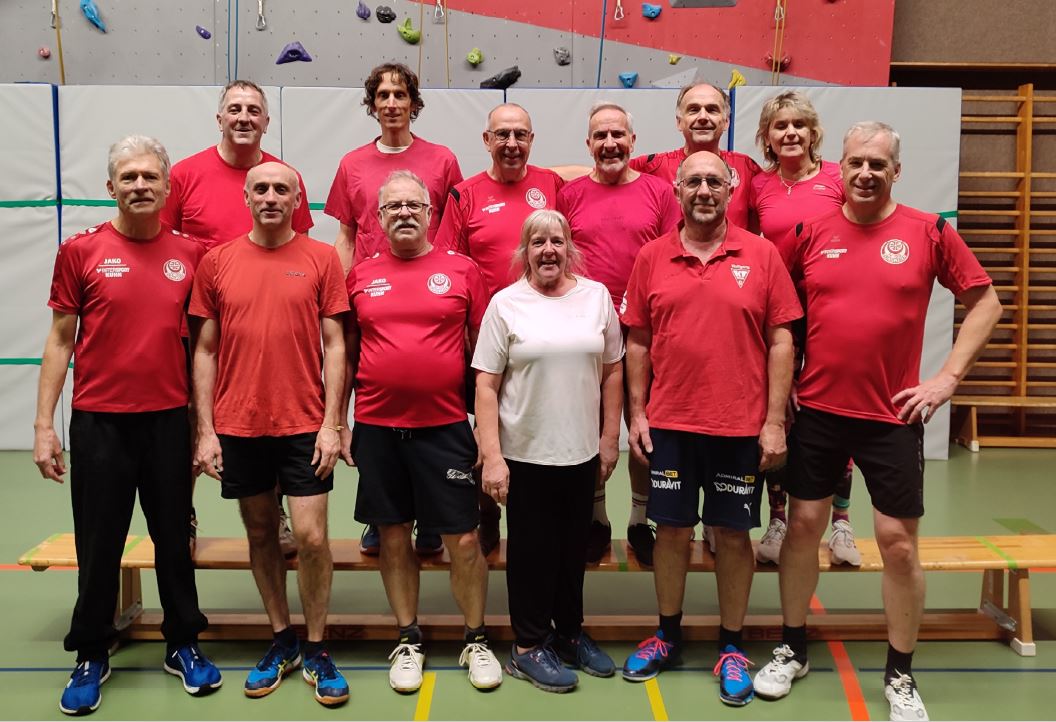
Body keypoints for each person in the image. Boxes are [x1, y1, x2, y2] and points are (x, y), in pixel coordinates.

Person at [754, 122, 1001, 722]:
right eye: (856, 163)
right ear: (839, 168)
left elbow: (987, 303)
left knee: (897, 544)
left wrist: (946, 379)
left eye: (878, 164)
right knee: (803, 528)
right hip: (817, 410)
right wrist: (779, 392)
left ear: (896, 171)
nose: (866, 173)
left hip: (892, 416)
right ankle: (793, 647)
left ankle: (900, 674)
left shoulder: (929, 231)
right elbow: (777, 315)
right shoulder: (810, 233)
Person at [34, 135, 221, 716]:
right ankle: (92, 650)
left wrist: (204, 427)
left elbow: (204, 347)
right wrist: (44, 426)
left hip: (168, 422)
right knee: (100, 543)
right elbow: (60, 339)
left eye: (150, 177)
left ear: (167, 187)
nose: (140, 185)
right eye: (129, 177)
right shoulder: (80, 251)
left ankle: (183, 643)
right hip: (100, 424)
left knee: (173, 539)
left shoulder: (192, 254)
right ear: (110, 187)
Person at [619, 151, 801, 707]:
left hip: (737, 426)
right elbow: (638, 340)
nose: (704, 190)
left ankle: (731, 646)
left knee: (732, 536)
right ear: (677, 189)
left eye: (714, 182)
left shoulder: (762, 254)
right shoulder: (652, 256)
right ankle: (667, 634)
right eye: (694, 181)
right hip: (671, 424)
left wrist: (773, 421)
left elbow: (782, 340)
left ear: (730, 189)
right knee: (671, 532)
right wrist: (638, 413)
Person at [190, 162, 350, 707]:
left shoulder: (321, 258)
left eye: (282, 189)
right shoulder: (217, 262)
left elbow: (336, 345)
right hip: (239, 424)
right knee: (261, 533)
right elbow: (205, 350)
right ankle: (281, 638)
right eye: (261, 188)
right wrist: (205, 431)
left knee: (310, 537)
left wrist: (332, 424)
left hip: (304, 424)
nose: (271, 196)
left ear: (297, 199)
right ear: (247, 197)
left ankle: (318, 646)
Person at [343, 170, 502, 694]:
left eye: (414, 205)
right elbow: (345, 354)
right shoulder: (360, 275)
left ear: (431, 214)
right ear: (379, 217)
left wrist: (487, 430)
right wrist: (337, 421)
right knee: (392, 536)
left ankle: (475, 638)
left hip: (445, 428)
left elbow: (484, 355)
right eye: (394, 207)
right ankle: (408, 639)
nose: (405, 213)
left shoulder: (462, 270)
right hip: (377, 428)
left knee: (464, 539)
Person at [162, 79, 314, 557]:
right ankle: (180, 516)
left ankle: (278, 513)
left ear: (266, 121)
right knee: (192, 420)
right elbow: (161, 244)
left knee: (273, 419)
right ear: (220, 118)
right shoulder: (185, 175)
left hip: (264, 325)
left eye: (253, 109)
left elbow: (300, 247)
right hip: (198, 326)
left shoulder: (283, 176)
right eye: (235, 108)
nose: (244, 117)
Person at [474, 209, 623, 693]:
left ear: (569, 248)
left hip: (580, 453)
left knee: (571, 552)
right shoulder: (505, 304)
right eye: (537, 242)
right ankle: (527, 646)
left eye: (556, 241)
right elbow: (486, 385)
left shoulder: (596, 297)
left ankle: (568, 634)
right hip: (525, 455)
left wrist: (608, 438)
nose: (548, 250)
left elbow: (613, 370)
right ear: (525, 252)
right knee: (531, 554)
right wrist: (492, 457)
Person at [326, 62, 462, 557]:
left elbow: (451, 229)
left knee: (431, 400)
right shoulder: (352, 164)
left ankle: (431, 515)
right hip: (371, 296)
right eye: (382, 95)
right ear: (372, 104)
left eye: (399, 94)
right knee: (375, 397)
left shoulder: (442, 160)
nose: (390, 103)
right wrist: (338, 297)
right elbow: (345, 237)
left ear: (413, 102)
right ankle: (382, 514)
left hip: (429, 294)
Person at [435, 103, 565, 556]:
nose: (512, 144)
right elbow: (448, 265)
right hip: (483, 340)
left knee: (539, 426)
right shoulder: (464, 195)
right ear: (487, 140)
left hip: (545, 340)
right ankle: (486, 512)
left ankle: (540, 519)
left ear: (532, 140)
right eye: (502, 135)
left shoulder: (552, 185)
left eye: (520, 135)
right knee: (482, 430)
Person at [557, 101, 681, 567]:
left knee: (644, 428)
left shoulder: (659, 192)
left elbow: (673, 255)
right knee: (591, 429)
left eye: (618, 135)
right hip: (586, 331)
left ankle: (639, 520)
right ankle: (596, 519)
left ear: (633, 141)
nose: (610, 143)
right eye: (600, 136)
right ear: (588, 144)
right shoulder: (570, 195)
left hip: (648, 331)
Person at [748, 90, 858, 567]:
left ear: (814, 132)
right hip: (779, 314)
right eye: (780, 125)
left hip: (834, 310)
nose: (790, 132)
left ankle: (842, 522)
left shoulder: (838, 178)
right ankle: (778, 518)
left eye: (799, 124)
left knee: (836, 411)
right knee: (779, 413)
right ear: (767, 137)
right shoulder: (758, 186)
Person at [631, 83, 761, 230]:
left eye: (712, 110)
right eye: (693, 110)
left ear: (726, 121)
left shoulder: (747, 168)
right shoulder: (651, 167)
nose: (703, 117)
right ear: (679, 122)